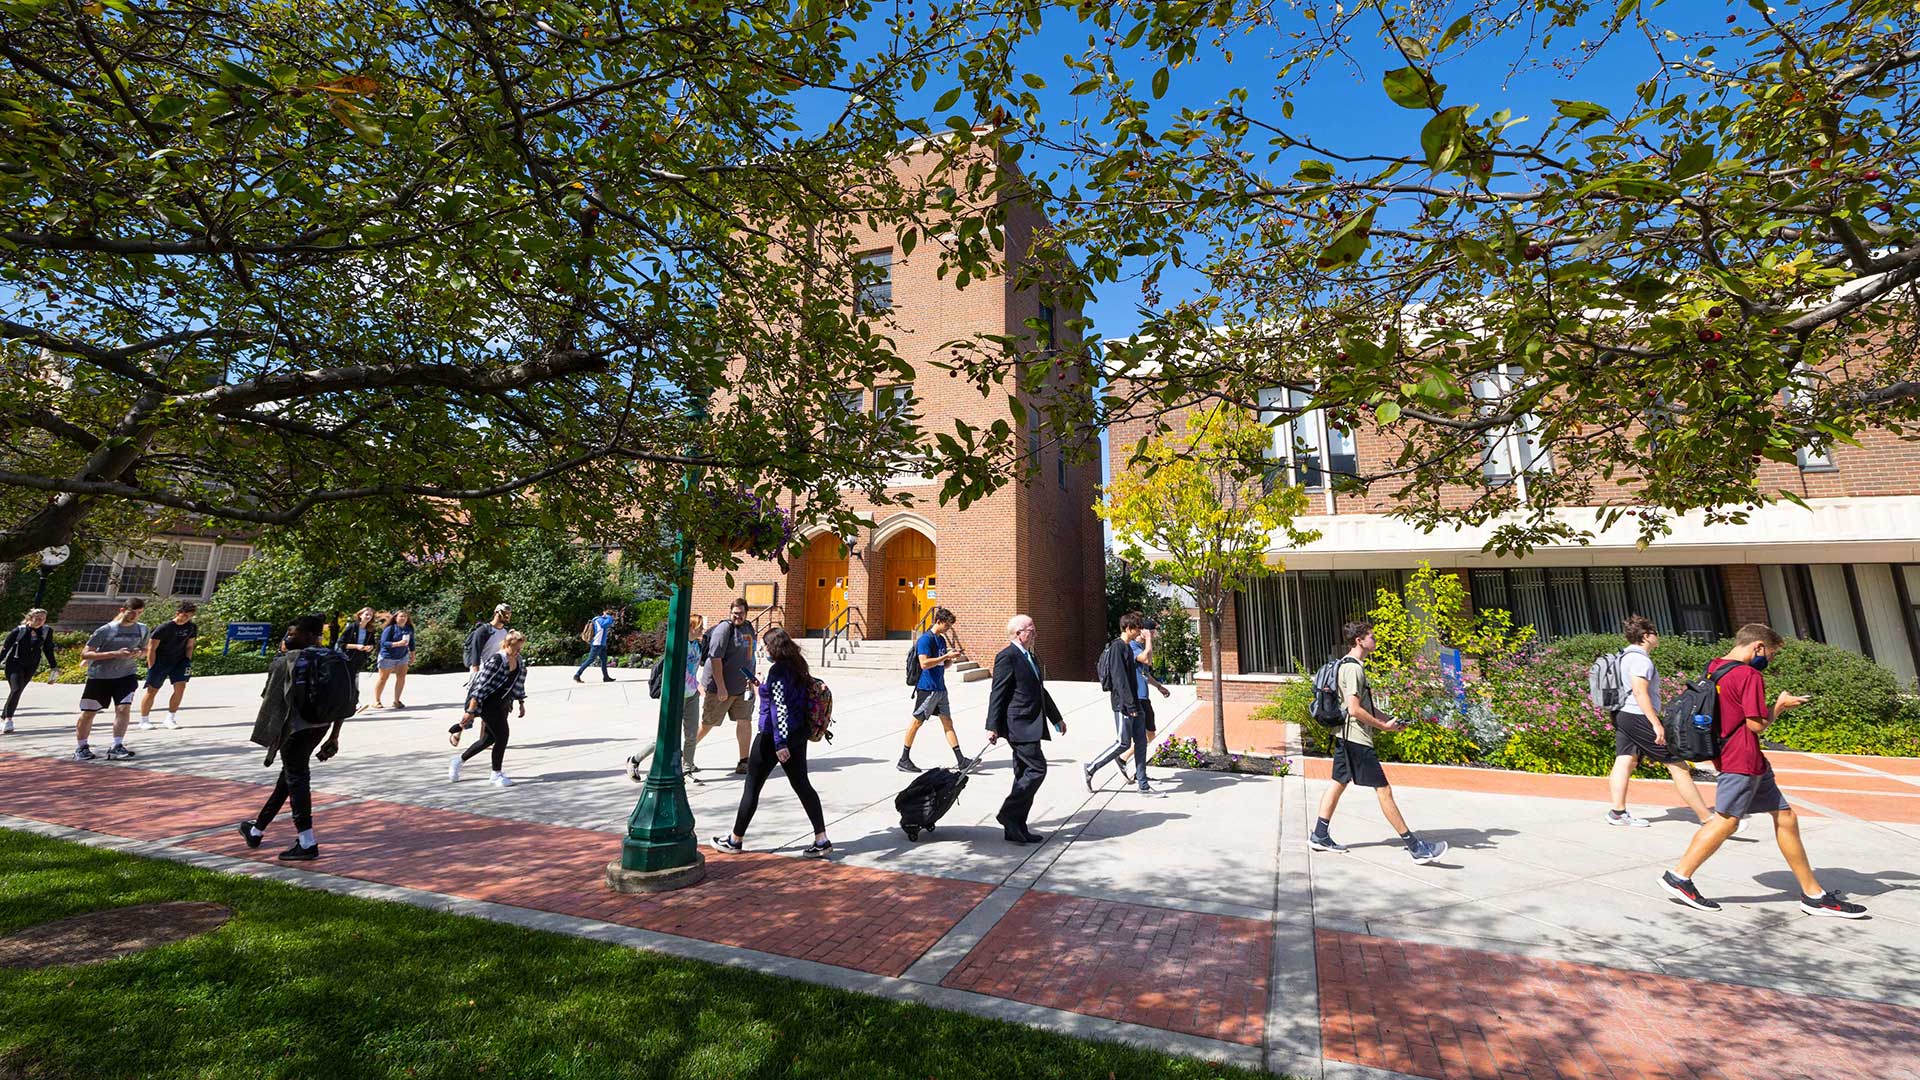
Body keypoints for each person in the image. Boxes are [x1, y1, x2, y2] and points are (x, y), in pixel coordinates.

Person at [1659, 624, 1867, 918]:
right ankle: (1679, 877)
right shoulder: (1748, 675)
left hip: (1740, 756)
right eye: (1771, 653)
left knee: (1785, 816)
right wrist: (1780, 706)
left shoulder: (1715, 667)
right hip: (1741, 758)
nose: (1769, 659)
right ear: (1757, 646)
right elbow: (1755, 724)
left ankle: (1813, 894)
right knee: (1726, 821)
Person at [1309, 620, 1448, 865]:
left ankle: (1320, 835)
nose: (1375, 640)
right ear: (1359, 641)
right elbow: (1353, 709)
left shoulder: (1350, 666)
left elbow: (1366, 707)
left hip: (1345, 736)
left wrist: (1390, 721)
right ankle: (1416, 847)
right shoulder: (1353, 669)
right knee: (1383, 790)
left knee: (1338, 782)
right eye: (1371, 636)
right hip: (1356, 739)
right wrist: (1382, 726)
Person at [711, 626, 831, 857]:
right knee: (802, 785)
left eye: (765, 646)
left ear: (773, 648)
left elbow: (780, 710)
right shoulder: (797, 665)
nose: (763, 650)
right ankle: (821, 838)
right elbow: (782, 698)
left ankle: (735, 840)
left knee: (752, 787)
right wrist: (761, 689)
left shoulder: (778, 671)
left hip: (772, 737)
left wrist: (780, 744)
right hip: (798, 734)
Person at [238, 615, 349, 861]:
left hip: (295, 730)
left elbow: (269, 695)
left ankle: (307, 842)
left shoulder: (289, 661)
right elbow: (345, 700)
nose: (289, 638)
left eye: (293, 633)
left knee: (297, 779)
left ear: (309, 635)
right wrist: (334, 736)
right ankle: (256, 830)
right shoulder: (336, 657)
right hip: (321, 726)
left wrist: (280, 655)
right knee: (288, 778)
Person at [1604, 615, 1712, 828]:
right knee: (1677, 764)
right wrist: (1655, 723)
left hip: (1622, 713)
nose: (1657, 636)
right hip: (1637, 715)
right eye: (1654, 633)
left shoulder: (1622, 655)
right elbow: (1639, 692)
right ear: (1646, 636)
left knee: (1625, 759)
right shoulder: (1640, 660)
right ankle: (1708, 818)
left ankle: (1618, 812)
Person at [985, 614, 1066, 844]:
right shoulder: (1007, 656)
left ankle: (1016, 826)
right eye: (1031, 629)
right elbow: (997, 693)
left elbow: (1040, 690)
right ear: (1019, 633)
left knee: (1023, 774)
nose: (1035, 633)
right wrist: (992, 726)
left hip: (1032, 723)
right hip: (1018, 724)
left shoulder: (1029, 656)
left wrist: (1056, 718)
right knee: (1037, 769)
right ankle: (1008, 814)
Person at [1083, 612, 1160, 795]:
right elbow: (1119, 680)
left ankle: (1143, 784)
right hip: (1123, 705)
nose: (1139, 631)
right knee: (1123, 743)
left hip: (1136, 703)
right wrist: (1130, 705)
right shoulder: (1118, 647)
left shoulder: (1126, 647)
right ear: (1127, 628)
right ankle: (1090, 768)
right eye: (1136, 628)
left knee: (1141, 741)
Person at [74, 597, 150, 762]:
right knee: (88, 713)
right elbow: (86, 654)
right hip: (100, 677)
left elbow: (145, 650)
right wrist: (114, 654)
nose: (135, 616)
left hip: (126, 675)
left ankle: (117, 746)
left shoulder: (142, 629)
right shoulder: (106, 630)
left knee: (123, 709)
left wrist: (139, 653)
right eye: (132, 612)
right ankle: (81, 747)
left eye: (139, 613)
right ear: (123, 610)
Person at [450, 629, 528, 787]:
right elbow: (480, 687)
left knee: (488, 739)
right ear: (506, 644)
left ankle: (458, 760)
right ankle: (496, 774)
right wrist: (471, 711)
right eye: (515, 648)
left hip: (504, 704)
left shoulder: (518, 660)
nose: (518, 651)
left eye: (520, 648)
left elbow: (519, 681)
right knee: (502, 736)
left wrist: (521, 702)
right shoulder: (497, 660)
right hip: (489, 704)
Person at [898, 607, 971, 773]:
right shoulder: (925, 639)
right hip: (927, 688)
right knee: (916, 722)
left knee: (948, 722)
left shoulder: (941, 640)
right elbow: (924, 663)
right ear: (938, 621)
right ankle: (904, 759)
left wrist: (951, 658)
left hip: (940, 688)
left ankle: (961, 760)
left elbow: (942, 665)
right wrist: (945, 656)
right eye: (947, 625)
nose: (948, 629)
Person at [697, 598, 758, 775]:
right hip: (720, 688)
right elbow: (715, 660)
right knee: (707, 723)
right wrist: (721, 687)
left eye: (741, 613)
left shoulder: (748, 627)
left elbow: (749, 655)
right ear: (730, 612)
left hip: (744, 687)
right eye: (735, 613)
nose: (737, 616)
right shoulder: (724, 629)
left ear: (746, 613)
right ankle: (684, 755)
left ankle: (744, 761)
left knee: (744, 721)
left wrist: (753, 679)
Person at [1112, 612, 1174, 783]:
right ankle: (1128, 764)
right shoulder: (1131, 646)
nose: (1156, 634)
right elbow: (1146, 660)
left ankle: (1126, 762)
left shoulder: (1141, 647)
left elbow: (1146, 670)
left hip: (1144, 695)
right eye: (1154, 631)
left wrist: (1159, 687)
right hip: (1136, 697)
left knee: (1150, 734)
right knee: (1135, 738)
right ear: (1145, 631)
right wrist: (1148, 640)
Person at [453, 603, 512, 741]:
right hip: (482, 670)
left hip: (496, 672)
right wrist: (475, 671)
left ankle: (483, 737)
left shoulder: (506, 633)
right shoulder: (484, 630)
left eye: (509, 614)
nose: (507, 616)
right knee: (473, 704)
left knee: (490, 706)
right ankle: (458, 731)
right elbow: (476, 651)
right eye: (504, 613)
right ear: (496, 612)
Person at [137, 602, 198, 730]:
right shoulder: (164, 628)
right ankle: (144, 720)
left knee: (180, 688)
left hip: (179, 661)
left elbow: (190, 645)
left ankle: (170, 718)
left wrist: (187, 661)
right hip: (160, 661)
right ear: (178, 613)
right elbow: (151, 648)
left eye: (190, 616)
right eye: (185, 615)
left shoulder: (192, 627)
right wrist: (151, 667)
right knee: (152, 690)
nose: (187, 618)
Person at [2, 608, 61, 734]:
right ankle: (8, 720)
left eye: (43, 619)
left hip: (31, 665)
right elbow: (5, 648)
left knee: (18, 691)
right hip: (14, 664)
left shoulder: (46, 631)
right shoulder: (19, 630)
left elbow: (48, 649)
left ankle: (5, 714)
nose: (40, 621)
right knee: (16, 689)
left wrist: (53, 666)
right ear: (30, 618)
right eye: (37, 618)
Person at [336, 607, 379, 702]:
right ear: (360, 615)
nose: (368, 617)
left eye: (371, 615)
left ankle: (354, 701)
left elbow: (372, 643)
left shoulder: (370, 630)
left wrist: (370, 647)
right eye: (366, 614)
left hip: (359, 658)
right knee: (349, 680)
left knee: (355, 679)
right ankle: (351, 701)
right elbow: (341, 644)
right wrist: (356, 646)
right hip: (348, 657)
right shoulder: (352, 627)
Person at [373, 609, 413, 708]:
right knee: (383, 678)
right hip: (388, 656)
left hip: (402, 656)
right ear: (395, 618)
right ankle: (376, 700)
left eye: (405, 616)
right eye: (401, 616)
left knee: (401, 678)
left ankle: (397, 701)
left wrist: (413, 654)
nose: (403, 618)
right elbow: (384, 643)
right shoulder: (390, 628)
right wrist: (397, 644)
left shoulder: (408, 629)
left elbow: (412, 642)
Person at [574, 607, 619, 683]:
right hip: (597, 644)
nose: (613, 618)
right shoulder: (600, 620)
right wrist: (607, 615)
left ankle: (606, 677)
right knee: (590, 660)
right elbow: (608, 622)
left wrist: (607, 616)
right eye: (612, 616)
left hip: (601, 645)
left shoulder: (601, 620)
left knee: (604, 660)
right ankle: (577, 675)